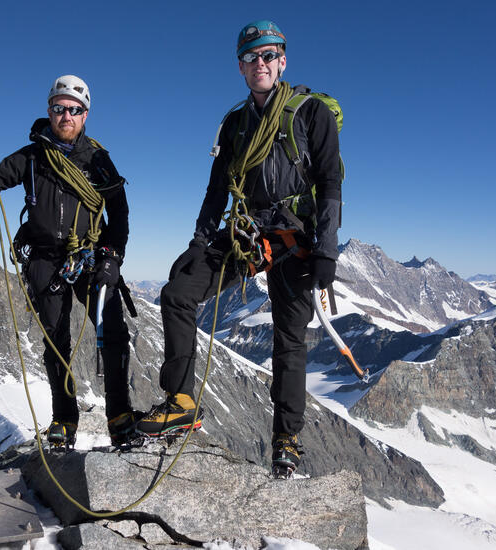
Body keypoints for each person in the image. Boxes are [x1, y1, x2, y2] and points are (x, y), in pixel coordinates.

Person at [135, 21, 341, 477]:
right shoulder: (234, 124)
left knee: (289, 339)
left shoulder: (310, 114)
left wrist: (326, 250)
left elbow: (329, 184)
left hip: (296, 239)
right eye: (251, 57)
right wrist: (199, 242)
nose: (260, 64)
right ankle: (182, 399)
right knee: (177, 294)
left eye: (268, 55)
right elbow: (216, 190)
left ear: (282, 61)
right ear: (241, 67)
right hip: (247, 233)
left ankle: (287, 437)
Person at [0, 75, 138, 448]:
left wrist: (113, 257)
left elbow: (120, 214)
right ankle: (64, 419)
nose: (65, 115)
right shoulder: (33, 156)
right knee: (55, 341)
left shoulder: (99, 161)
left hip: (90, 257)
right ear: (49, 111)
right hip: (44, 261)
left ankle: (119, 414)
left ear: (85, 115)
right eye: (59, 108)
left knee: (113, 331)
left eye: (74, 109)